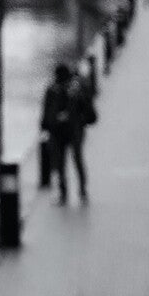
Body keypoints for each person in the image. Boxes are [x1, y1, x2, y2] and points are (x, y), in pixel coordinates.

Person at [41, 60, 91, 205]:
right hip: (73, 131)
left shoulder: (54, 89)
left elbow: (45, 112)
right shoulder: (75, 87)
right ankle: (81, 191)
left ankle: (66, 194)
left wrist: (45, 127)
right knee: (76, 160)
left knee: (64, 162)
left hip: (62, 132)